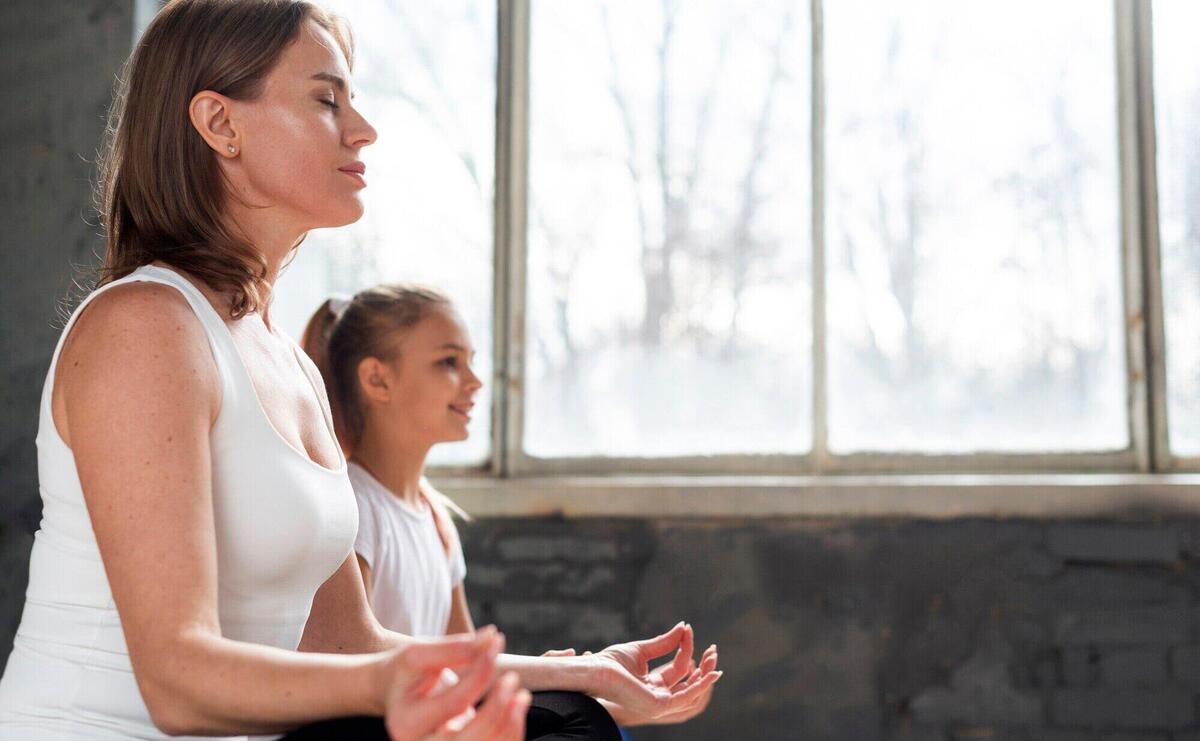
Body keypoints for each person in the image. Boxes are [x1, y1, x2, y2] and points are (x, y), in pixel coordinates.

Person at [0, 1, 528, 738]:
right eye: (325, 99)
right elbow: (177, 680)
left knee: (573, 720)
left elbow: (354, 645)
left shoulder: (289, 363)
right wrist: (400, 690)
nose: (362, 128)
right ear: (220, 125)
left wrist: (580, 673)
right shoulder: (146, 326)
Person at [300, 286, 722, 733]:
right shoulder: (354, 505)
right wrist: (573, 678)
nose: (475, 381)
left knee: (599, 722)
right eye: (449, 362)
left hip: (436, 724)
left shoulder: (434, 515)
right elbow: (359, 654)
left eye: (471, 361)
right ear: (378, 379)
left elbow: (469, 669)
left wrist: (618, 698)